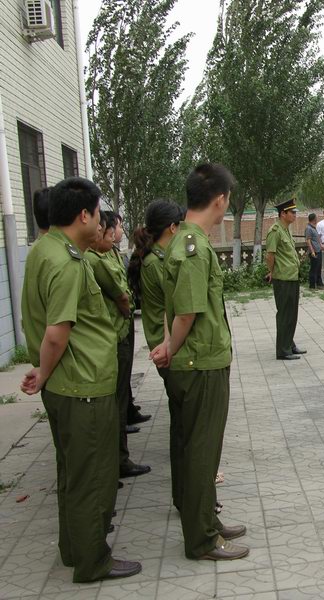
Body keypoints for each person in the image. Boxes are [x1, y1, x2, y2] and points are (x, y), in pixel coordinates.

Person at [20, 177, 141, 582]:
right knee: (93, 476)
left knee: (72, 472)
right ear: (84, 216)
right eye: (97, 212)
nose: (102, 221)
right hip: (82, 385)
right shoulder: (67, 263)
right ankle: (93, 561)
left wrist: (45, 373)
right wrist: (43, 371)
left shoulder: (44, 249)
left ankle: (74, 549)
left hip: (66, 385)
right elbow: (57, 332)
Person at [152, 163, 249, 561]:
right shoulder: (192, 245)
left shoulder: (185, 240)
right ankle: (202, 539)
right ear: (221, 199)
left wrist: (168, 345)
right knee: (201, 452)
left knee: (200, 449)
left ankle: (207, 520)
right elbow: (187, 313)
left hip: (198, 361)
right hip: (200, 365)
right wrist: (171, 348)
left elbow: (176, 308)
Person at [85, 211, 151, 480]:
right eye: (110, 229)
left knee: (121, 397)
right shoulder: (94, 259)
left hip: (119, 331)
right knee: (117, 400)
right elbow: (120, 296)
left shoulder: (106, 254)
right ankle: (119, 461)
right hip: (114, 333)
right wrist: (127, 311)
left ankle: (119, 458)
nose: (114, 233)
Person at [128, 200, 184, 510]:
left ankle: (188, 485)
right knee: (183, 417)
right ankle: (186, 488)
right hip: (165, 343)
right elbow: (173, 302)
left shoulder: (157, 258)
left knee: (182, 413)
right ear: (172, 228)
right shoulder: (155, 263)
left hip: (165, 340)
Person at [109, 213, 151, 428]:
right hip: (118, 324)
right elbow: (121, 294)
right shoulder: (99, 258)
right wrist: (127, 311)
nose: (120, 230)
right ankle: (122, 420)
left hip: (124, 323)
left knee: (125, 374)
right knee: (120, 376)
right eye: (118, 226)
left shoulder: (115, 253)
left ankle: (128, 410)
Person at [266, 199, 306, 360]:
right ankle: (283, 350)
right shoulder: (275, 231)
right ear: (283, 213)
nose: (295, 215)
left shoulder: (285, 230)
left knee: (292, 314)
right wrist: (271, 271)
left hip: (292, 276)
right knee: (284, 314)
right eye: (292, 212)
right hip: (283, 278)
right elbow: (270, 255)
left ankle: (289, 343)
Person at [305, 213, 323, 289]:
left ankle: (319, 283)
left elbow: (317, 240)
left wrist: (322, 247)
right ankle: (312, 285)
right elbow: (308, 241)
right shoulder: (308, 228)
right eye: (316, 218)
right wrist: (312, 251)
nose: (317, 219)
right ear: (314, 219)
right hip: (314, 251)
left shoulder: (313, 228)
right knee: (314, 269)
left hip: (318, 250)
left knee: (318, 268)